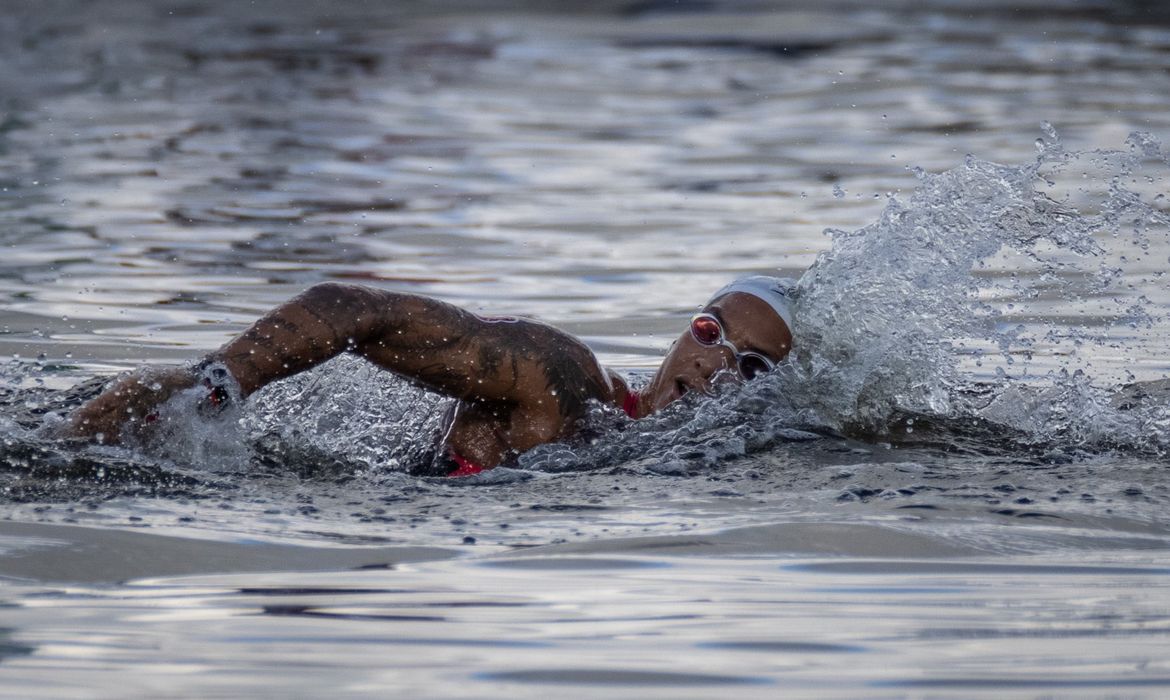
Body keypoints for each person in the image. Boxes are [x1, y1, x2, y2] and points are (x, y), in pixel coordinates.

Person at [65, 276, 795, 476]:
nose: (716, 367)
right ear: (684, 330)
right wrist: (219, 391)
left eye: (753, 366)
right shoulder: (564, 378)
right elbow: (351, 306)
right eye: (711, 332)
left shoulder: (683, 464)